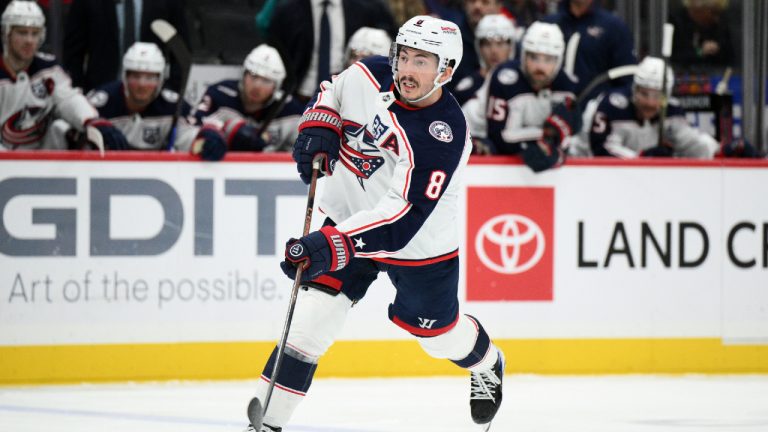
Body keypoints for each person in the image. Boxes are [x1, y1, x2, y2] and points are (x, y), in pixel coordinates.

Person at [246, 15, 505, 432]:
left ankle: (489, 363)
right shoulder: (369, 73)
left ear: (447, 70)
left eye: (422, 61)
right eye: (403, 57)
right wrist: (320, 121)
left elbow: (401, 218)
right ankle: (267, 423)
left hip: (417, 245)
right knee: (311, 321)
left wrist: (330, 244)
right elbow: (333, 90)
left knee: (436, 336)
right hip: (349, 213)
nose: (406, 70)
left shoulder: (442, 135)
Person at [0, 0, 123, 151]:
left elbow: (68, 98)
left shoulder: (49, 68)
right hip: (4, 164)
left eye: (35, 33)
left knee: (63, 127)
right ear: (6, 33)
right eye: (22, 33)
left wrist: (92, 120)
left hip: (41, 160)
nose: (29, 40)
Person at [85, 41, 225, 159]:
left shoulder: (174, 107)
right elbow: (73, 133)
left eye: (150, 78)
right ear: (125, 76)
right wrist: (92, 131)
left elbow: (188, 137)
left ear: (160, 80)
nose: (142, 84)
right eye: (135, 76)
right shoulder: (99, 103)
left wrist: (204, 139)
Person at [484, 21, 580, 171]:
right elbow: (498, 138)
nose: (540, 67)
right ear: (523, 56)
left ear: (559, 61)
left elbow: (570, 136)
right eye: (534, 57)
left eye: (548, 59)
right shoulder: (505, 78)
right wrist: (543, 136)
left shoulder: (567, 84)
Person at [587, 56, 719, 159]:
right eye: (644, 94)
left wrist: (719, 150)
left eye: (658, 96)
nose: (650, 103)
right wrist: (642, 158)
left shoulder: (672, 111)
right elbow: (601, 150)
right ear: (635, 89)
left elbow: (694, 146)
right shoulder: (613, 106)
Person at [266, 0, 396, 101]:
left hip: (348, 97)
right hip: (299, 99)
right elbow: (275, 54)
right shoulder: (286, 11)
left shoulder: (366, 8)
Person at [191, 44, 303, 153]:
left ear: (276, 86)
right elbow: (192, 130)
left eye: (266, 80)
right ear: (243, 75)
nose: (257, 86)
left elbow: (302, 154)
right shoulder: (219, 94)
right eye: (253, 76)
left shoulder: (291, 110)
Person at [63, 0, 190, 93]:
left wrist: (171, 89)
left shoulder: (169, 3)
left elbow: (181, 51)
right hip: (100, 95)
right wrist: (78, 91)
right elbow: (73, 52)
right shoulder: (88, 3)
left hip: (152, 97)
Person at [542, 0, 636, 101]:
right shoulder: (547, 24)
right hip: (549, 107)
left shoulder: (614, 27)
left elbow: (628, 79)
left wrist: (605, 104)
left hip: (593, 111)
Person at [454, 13, 517, 106]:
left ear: (511, 47)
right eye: (487, 44)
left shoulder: (522, 85)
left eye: (500, 44)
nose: (494, 51)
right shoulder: (466, 89)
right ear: (478, 47)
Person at [669, 0, 734, 71]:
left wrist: (718, 50)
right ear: (698, 10)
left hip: (715, 74)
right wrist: (700, 52)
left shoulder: (718, 25)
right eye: (713, 13)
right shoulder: (677, 22)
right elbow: (675, 57)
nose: (716, 18)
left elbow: (730, 59)